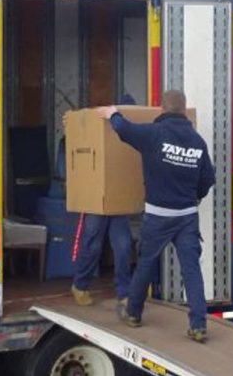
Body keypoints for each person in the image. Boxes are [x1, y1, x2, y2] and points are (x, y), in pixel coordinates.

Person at [97, 90, 215, 343]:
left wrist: (112, 113)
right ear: (184, 110)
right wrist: (195, 196)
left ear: (162, 109)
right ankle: (198, 326)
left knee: (146, 264)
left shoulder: (154, 134)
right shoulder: (197, 141)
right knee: (191, 270)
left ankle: (133, 313)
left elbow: (125, 130)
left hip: (158, 215)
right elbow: (208, 179)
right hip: (186, 216)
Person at [70, 94, 137, 307]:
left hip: (118, 201)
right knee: (92, 244)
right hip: (97, 200)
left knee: (123, 246)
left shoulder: (132, 133)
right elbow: (76, 129)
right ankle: (80, 285)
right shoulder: (99, 126)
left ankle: (124, 292)